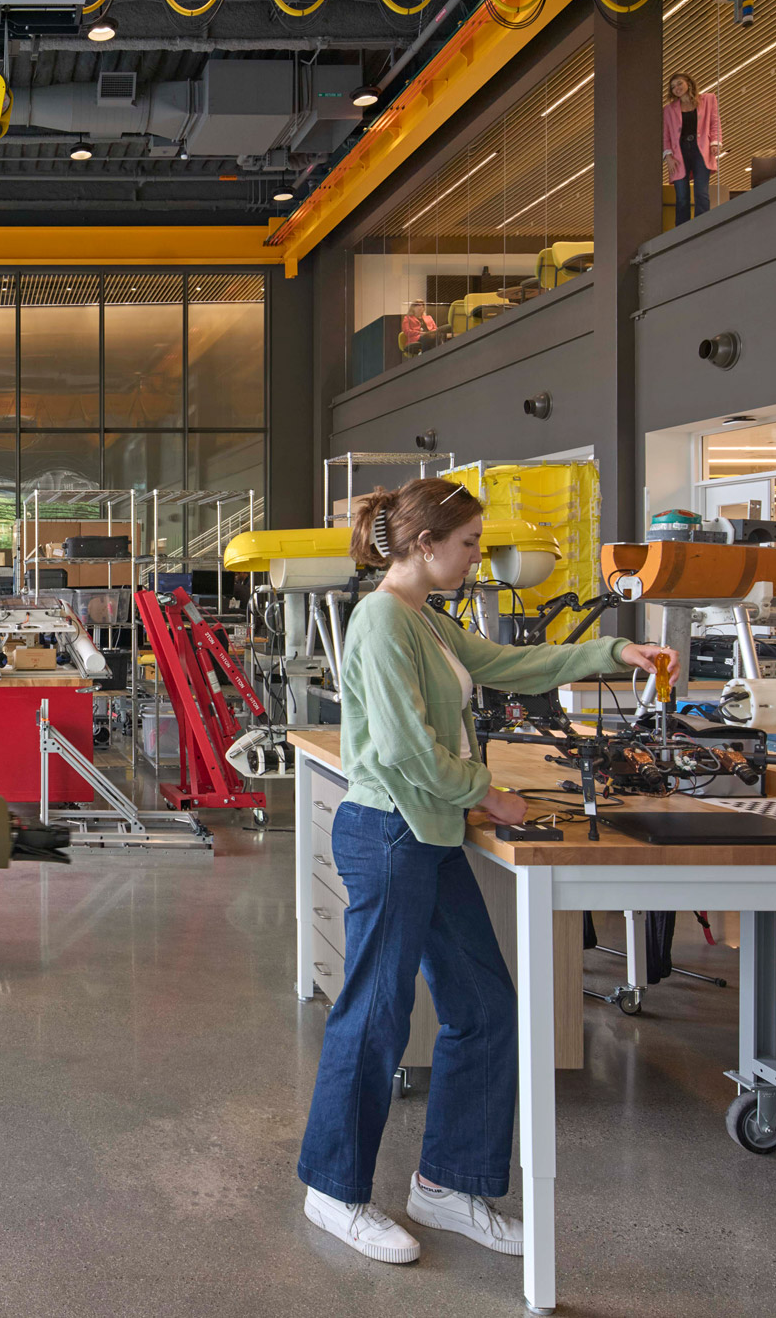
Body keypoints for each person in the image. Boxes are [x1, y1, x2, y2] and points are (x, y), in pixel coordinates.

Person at [298, 478, 673, 1267]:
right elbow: (403, 749)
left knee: (487, 1008)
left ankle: (448, 1183)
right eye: (469, 542)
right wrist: (487, 793)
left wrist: (614, 650)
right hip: (393, 833)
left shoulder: (427, 621)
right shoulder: (379, 621)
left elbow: (513, 661)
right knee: (376, 1015)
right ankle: (334, 1188)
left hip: (429, 834)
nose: (476, 556)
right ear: (427, 543)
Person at [660, 72, 724, 223]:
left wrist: (715, 142)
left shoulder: (708, 100)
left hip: (700, 149)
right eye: (673, 87)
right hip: (679, 152)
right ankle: (681, 234)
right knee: (682, 196)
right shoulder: (669, 110)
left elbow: (714, 122)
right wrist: (668, 156)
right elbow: (666, 135)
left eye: (679, 84)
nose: (677, 88)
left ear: (688, 83)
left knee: (701, 192)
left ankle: (702, 226)